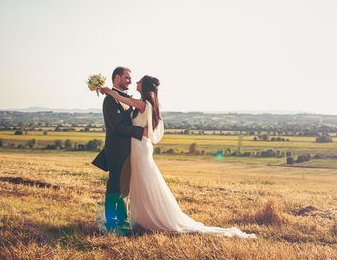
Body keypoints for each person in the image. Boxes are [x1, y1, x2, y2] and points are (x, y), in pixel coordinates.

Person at [99, 76, 256, 239]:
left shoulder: (142, 103)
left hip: (139, 147)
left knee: (144, 181)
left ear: (144, 86)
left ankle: (153, 217)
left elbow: (119, 98)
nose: (135, 83)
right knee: (142, 181)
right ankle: (141, 217)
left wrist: (109, 91)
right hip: (139, 146)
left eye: (138, 81)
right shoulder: (149, 103)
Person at [93, 66, 147, 234]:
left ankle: (122, 220)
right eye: (127, 78)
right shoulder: (110, 100)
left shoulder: (124, 98)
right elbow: (117, 126)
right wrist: (140, 132)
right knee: (115, 186)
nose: (130, 81)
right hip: (116, 150)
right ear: (117, 78)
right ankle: (112, 222)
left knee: (123, 186)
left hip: (129, 150)